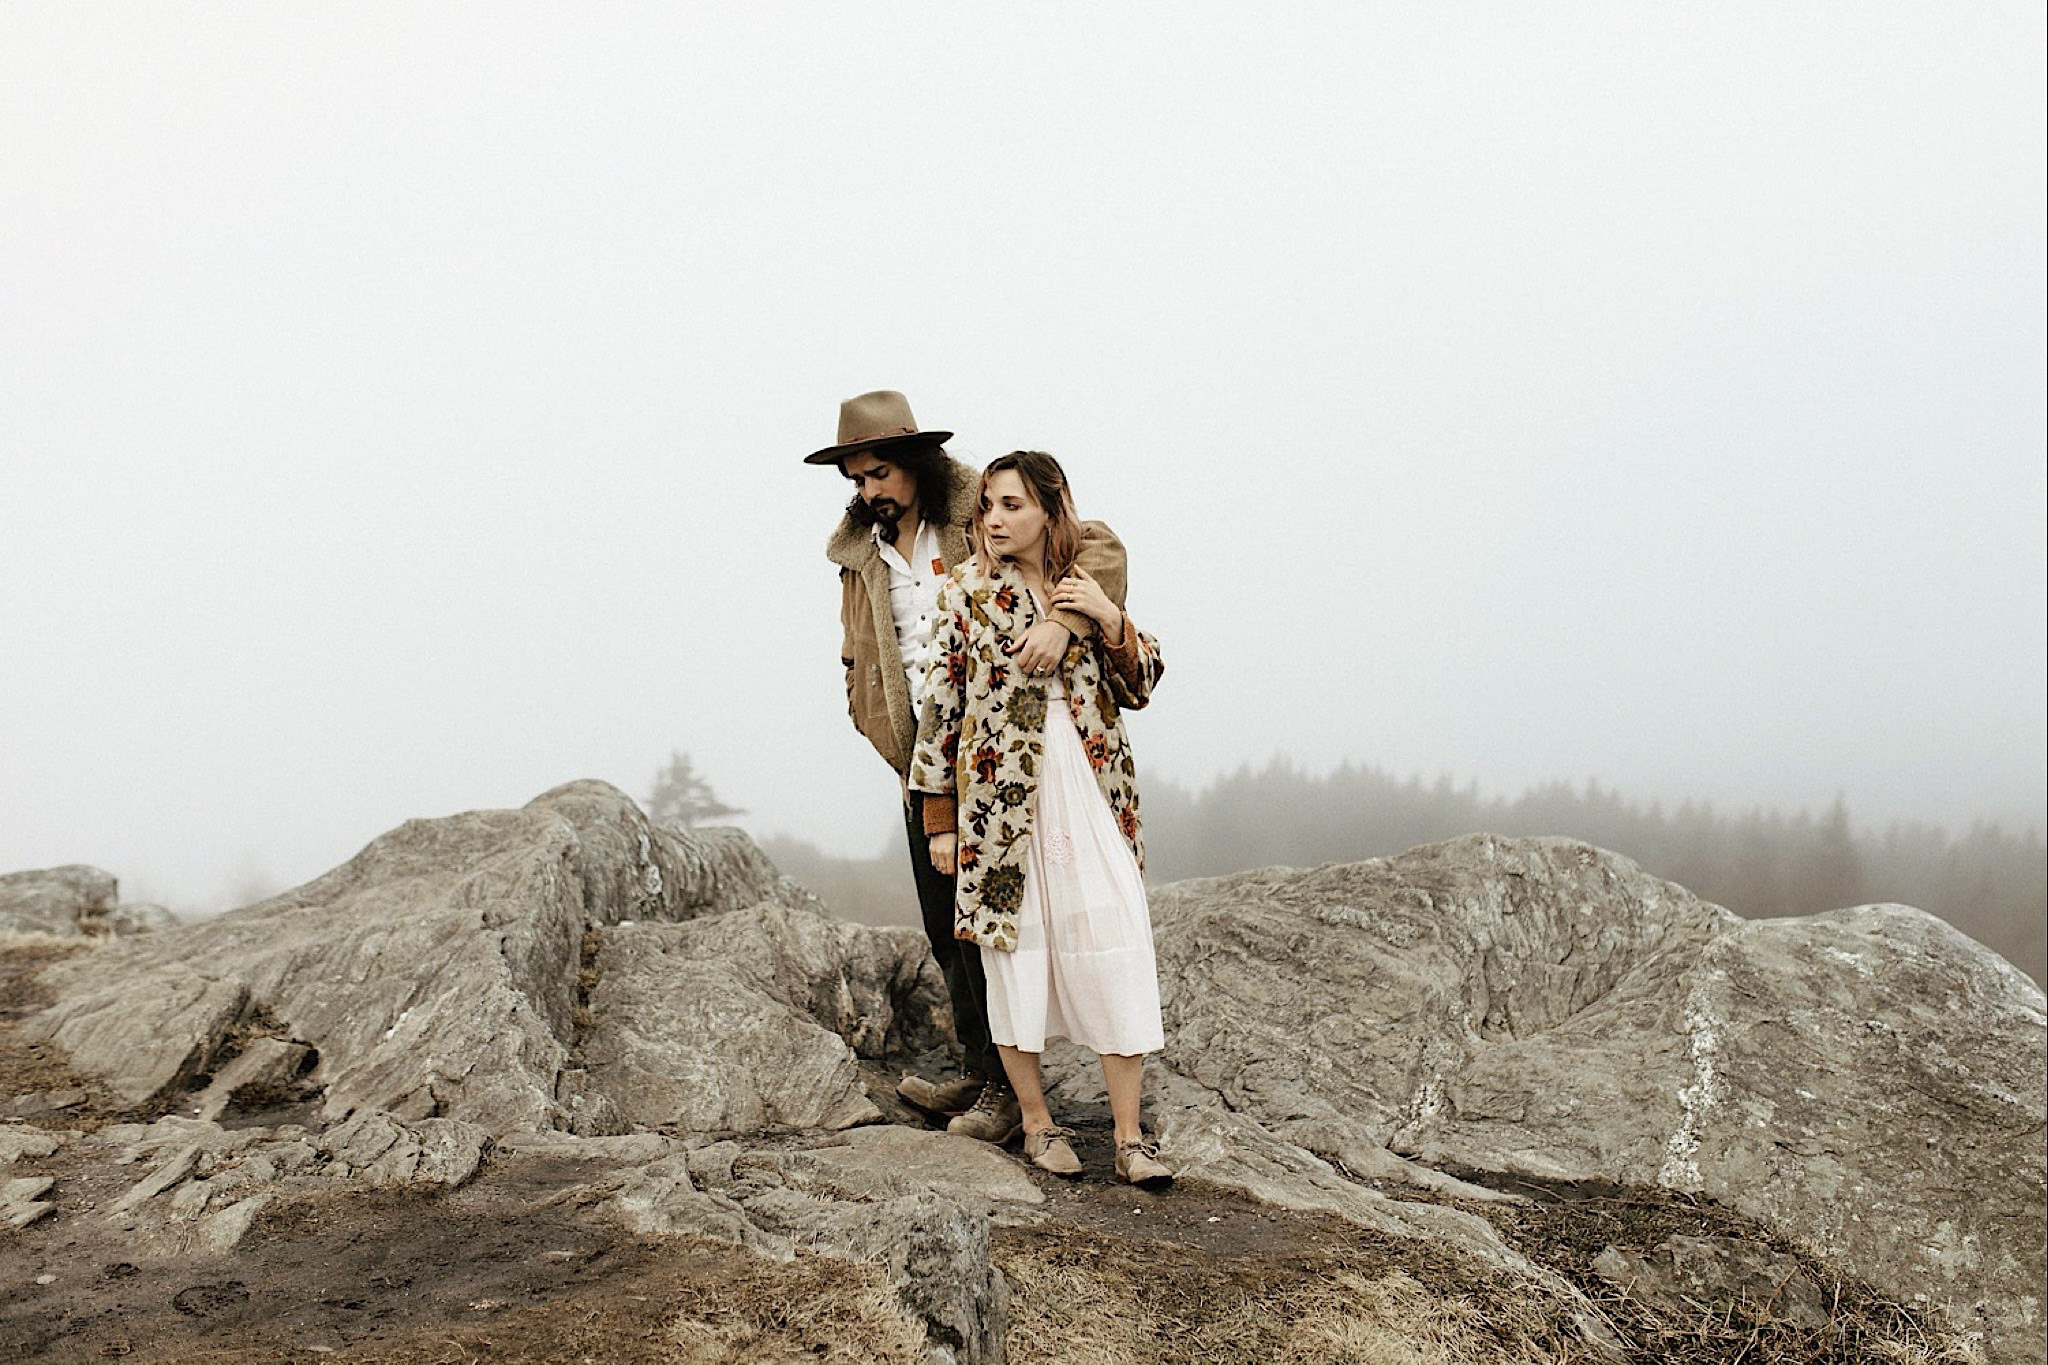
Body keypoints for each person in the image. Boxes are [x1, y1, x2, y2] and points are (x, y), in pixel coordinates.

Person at [809, 392, 1128, 1144]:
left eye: (879, 473)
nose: (869, 490)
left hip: (1003, 757)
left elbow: (1101, 548)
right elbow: (860, 657)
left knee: (1002, 924)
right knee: (946, 927)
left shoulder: (981, 509)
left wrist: (1063, 622)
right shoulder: (859, 554)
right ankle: (984, 1071)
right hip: (922, 764)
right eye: (856, 479)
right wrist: (879, 726)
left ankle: (1015, 1097)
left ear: (915, 462)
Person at [909, 451, 1173, 1187]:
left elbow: (1143, 683)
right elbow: (940, 710)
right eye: (988, 505)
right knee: (1013, 954)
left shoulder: (1081, 585)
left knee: (1114, 940)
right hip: (998, 805)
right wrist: (940, 820)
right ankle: (1037, 1123)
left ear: (1052, 510)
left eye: (1012, 505)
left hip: (1090, 786)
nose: (993, 519)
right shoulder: (964, 592)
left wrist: (1109, 618)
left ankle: (1130, 1138)